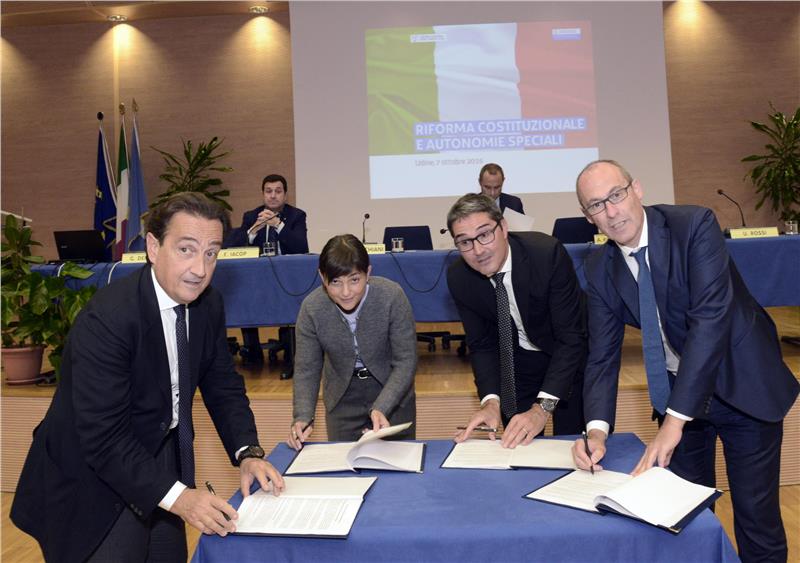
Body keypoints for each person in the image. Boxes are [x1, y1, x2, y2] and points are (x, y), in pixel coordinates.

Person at [11, 192, 285, 563]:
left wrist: (247, 452)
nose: (200, 269)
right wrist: (181, 498)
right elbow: (104, 438)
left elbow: (222, 384)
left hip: (156, 461)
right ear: (153, 247)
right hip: (91, 480)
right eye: (186, 250)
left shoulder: (208, 304)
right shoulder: (108, 319)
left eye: (211, 253)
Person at [572, 159, 798, 563]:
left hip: (742, 383)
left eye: (616, 195)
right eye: (596, 205)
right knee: (682, 517)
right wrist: (597, 431)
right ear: (588, 216)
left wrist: (673, 423)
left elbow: (710, 321)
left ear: (637, 189)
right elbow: (602, 356)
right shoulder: (599, 266)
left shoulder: (693, 226)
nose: (611, 211)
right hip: (678, 390)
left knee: (755, 518)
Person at [446, 193, 586, 448]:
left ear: (503, 227)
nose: (478, 250)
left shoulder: (546, 255)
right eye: (465, 242)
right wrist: (490, 402)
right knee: (518, 443)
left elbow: (570, 338)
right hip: (518, 361)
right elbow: (482, 345)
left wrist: (542, 409)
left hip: (570, 358)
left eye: (484, 234)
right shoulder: (459, 277)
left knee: (572, 445)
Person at [287, 234, 417, 448]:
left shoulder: (392, 296)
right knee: (344, 466)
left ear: (368, 273)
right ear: (322, 277)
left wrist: (382, 406)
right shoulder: (312, 308)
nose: (346, 292)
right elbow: (306, 369)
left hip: (393, 394)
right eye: (335, 282)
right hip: (341, 399)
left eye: (354, 280)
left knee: (399, 464)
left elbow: (406, 361)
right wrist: (302, 415)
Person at [226, 173, 309, 364]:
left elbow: (301, 246)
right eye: (268, 191)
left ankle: (290, 351)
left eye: (278, 191)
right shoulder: (251, 216)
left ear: (285, 195)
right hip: (256, 277)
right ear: (263, 194)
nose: (273, 195)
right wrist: (253, 230)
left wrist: (279, 225)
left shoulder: (297, 216)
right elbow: (231, 246)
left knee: (290, 299)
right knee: (245, 298)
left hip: (287, 277)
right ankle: (252, 350)